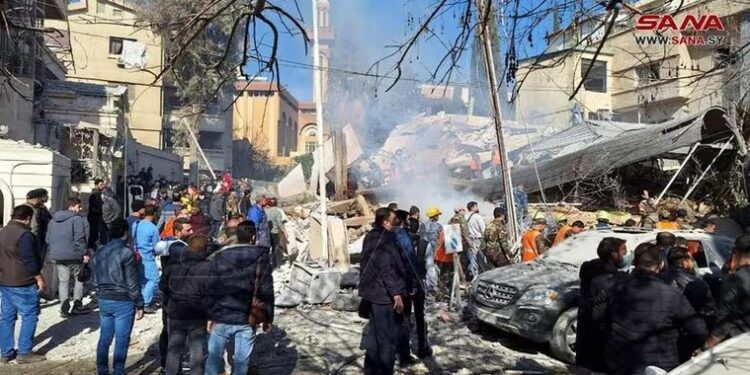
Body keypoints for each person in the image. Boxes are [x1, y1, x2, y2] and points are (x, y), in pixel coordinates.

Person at [593, 243, 707, 375]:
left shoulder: (616, 286)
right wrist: (681, 349)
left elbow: (597, 316)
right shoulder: (672, 295)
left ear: (635, 262)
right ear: (661, 265)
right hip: (660, 364)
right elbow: (699, 332)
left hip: (620, 360)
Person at [205, 221, 274, 375]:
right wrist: (268, 318)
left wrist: (209, 315)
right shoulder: (261, 257)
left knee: (214, 356)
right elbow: (267, 290)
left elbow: (211, 287)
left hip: (222, 315)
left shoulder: (220, 256)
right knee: (242, 361)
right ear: (254, 237)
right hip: (246, 317)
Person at [359, 208, 407, 375]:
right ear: (385, 222)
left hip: (371, 293)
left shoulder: (370, 236)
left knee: (374, 336)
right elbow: (387, 268)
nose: (398, 222)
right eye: (394, 219)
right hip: (383, 296)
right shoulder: (386, 239)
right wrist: (396, 293)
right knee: (387, 340)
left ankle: (370, 371)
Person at [95, 218, 145, 375]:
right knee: (122, 339)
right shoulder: (127, 252)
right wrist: (140, 303)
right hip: (123, 299)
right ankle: (118, 371)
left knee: (105, 338)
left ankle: (102, 370)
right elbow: (132, 282)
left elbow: (95, 277)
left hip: (104, 297)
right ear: (126, 233)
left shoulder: (100, 251)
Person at [0, 205, 47, 364]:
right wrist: (39, 277)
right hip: (23, 282)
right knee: (29, 316)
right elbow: (30, 259)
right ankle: (24, 352)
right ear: (27, 218)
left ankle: (6, 353)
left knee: (7, 318)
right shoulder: (25, 235)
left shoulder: (3, 232)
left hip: (5, 282)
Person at [163, 234, 212, 375]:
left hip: (176, 311)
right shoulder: (207, 267)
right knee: (197, 349)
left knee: (174, 348)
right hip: (197, 313)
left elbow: (163, 285)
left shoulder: (174, 264)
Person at [576, 237, 627, 372]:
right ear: (613, 254)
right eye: (623, 252)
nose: (625, 257)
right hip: (600, 335)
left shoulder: (592, 268)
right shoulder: (608, 277)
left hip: (585, 330)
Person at [392, 210, 432, 363]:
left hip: (403, 284)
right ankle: (422, 348)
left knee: (404, 318)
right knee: (420, 316)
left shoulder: (394, 240)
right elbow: (430, 268)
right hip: (416, 283)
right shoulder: (422, 242)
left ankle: (403, 352)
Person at [156, 218, 193, 373]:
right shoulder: (173, 247)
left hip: (172, 295)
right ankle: (172, 366)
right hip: (174, 296)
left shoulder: (167, 246)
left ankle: (170, 364)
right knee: (174, 334)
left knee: (170, 332)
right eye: (187, 230)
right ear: (177, 232)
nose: (191, 232)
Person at [661, 249, 716, 352]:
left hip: (666, 333)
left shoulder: (659, 278)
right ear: (684, 262)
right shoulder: (696, 282)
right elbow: (707, 311)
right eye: (691, 259)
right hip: (690, 334)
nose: (693, 262)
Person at [47, 197, 91, 317]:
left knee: (63, 281)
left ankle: (64, 308)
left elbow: (48, 239)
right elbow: (80, 238)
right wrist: (84, 253)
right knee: (79, 279)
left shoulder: (53, 220)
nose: (80, 208)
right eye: (78, 206)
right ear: (71, 207)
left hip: (57, 255)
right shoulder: (77, 219)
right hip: (74, 255)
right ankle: (77, 305)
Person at [705, 235, 750, 349]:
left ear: (735, 252)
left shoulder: (735, 279)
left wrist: (707, 346)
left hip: (740, 342)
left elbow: (725, 316)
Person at [132, 205, 161, 313]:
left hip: (136, 255)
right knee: (154, 279)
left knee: (142, 280)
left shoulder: (136, 224)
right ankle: (146, 302)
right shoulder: (153, 228)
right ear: (154, 214)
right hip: (148, 256)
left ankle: (139, 300)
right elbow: (156, 246)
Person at [421, 207, 443, 295]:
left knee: (427, 268)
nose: (439, 217)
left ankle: (427, 286)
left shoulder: (423, 225)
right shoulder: (438, 226)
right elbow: (441, 239)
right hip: (433, 250)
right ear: (435, 216)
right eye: (438, 215)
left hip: (423, 249)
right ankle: (433, 288)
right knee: (432, 269)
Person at [465, 201, 486, 280]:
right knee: (480, 258)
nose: (478, 208)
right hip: (478, 240)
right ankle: (480, 276)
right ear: (473, 207)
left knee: (472, 259)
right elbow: (483, 229)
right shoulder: (477, 216)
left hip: (469, 240)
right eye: (476, 206)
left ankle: (472, 275)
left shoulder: (465, 217)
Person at [266, 197, 288, 268]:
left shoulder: (267, 212)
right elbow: (280, 224)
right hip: (275, 233)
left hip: (268, 233)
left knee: (271, 249)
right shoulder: (278, 212)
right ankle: (277, 266)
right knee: (276, 249)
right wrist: (285, 232)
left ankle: (271, 263)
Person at [89, 179, 106, 249]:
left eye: (103, 185)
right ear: (96, 185)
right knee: (94, 234)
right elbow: (94, 206)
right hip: (94, 217)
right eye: (101, 185)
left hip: (97, 216)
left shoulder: (99, 193)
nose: (102, 186)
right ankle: (91, 248)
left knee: (96, 233)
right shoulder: (94, 194)